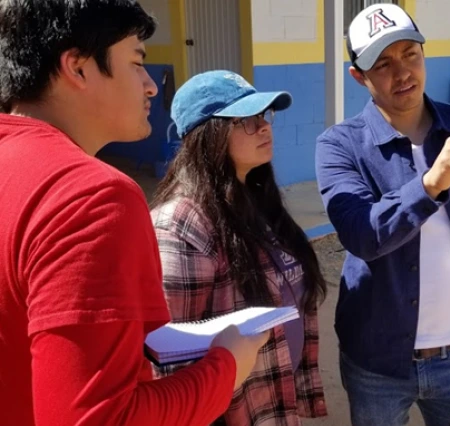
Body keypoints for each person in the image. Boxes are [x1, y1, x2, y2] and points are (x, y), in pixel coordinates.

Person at [0, 2, 268, 425]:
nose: (151, 86)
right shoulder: (89, 198)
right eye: (136, 62)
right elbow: (97, 418)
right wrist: (228, 367)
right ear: (78, 68)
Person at [315, 4, 450, 426]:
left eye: (410, 54)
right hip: (376, 363)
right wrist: (431, 183)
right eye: (383, 64)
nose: (402, 73)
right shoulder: (339, 146)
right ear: (358, 76)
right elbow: (361, 234)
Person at [150, 69, 328, 425]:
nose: (264, 126)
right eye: (245, 120)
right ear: (209, 135)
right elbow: (172, 359)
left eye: (263, 115)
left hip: (273, 404)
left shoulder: (259, 201)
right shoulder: (182, 224)